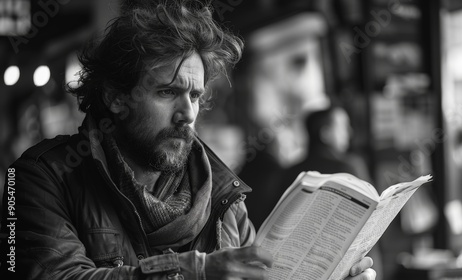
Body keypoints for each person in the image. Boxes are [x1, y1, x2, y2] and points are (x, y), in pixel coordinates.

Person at [0, 1, 376, 279]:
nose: (188, 113)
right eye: (167, 93)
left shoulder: (225, 199)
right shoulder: (38, 177)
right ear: (116, 97)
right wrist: (192, 271)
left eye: (194, 96)